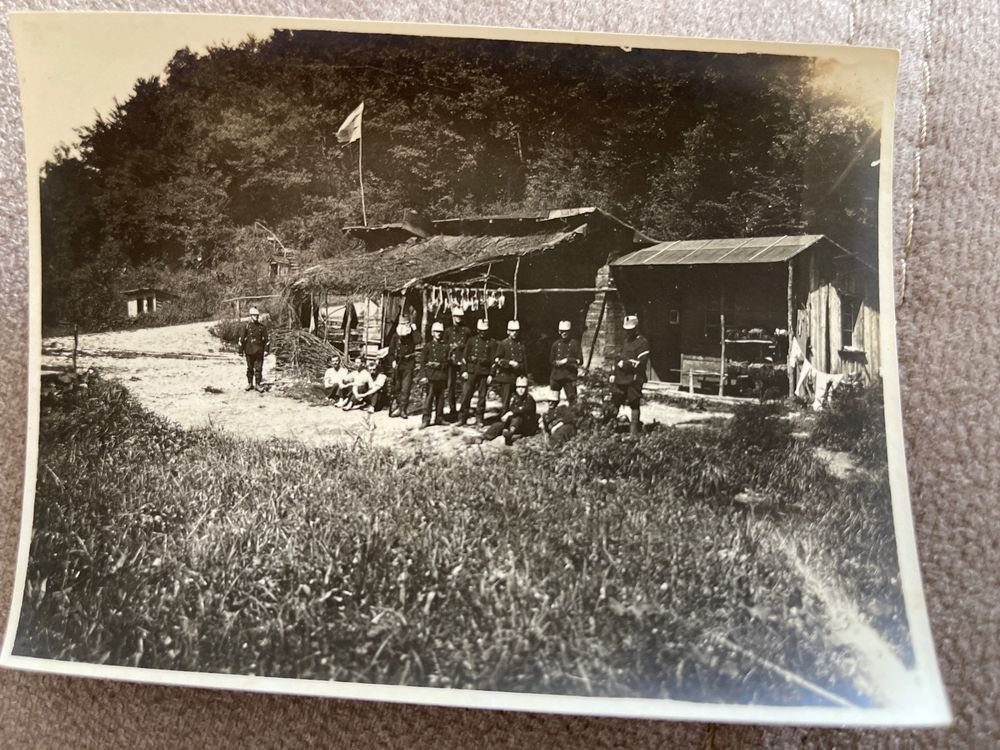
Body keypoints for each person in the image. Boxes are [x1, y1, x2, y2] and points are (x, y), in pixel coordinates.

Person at [603, 314, 651, 437]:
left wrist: (624, 364)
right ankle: (608, 429)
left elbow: (640, 363)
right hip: (620, 379)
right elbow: (617, 357)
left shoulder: (642, 343)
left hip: (634, 379)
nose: (628, 332)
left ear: (636, 328)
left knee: (634, 404)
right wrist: (613, 372)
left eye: (630, 330)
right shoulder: (625, 342)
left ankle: (633, 433)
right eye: (626, 330)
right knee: (615, 402)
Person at [458, 317, 496, 425]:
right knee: (466, 395)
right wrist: (464, 371)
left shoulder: (491, 343)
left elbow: (494, 361)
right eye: (481, 331)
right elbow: (464, 358)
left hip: (484, 372)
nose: (483, 333)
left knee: (482, 397)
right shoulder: (471, 341)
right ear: (478, 330)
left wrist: (491, 374)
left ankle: (479, 417)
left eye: (485, 331)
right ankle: (462, 417)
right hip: (471, 371)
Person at [387, 319, 422, 419]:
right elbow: (391, 351)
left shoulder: (412, 336)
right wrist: (393, 361)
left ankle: (403, 410)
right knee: (397, 387)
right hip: (398, 363)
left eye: (405, 324)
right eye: (402, 324)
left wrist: (415, 330)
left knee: (405, 388)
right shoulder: (395, 336)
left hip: (408, 364)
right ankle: (398, 406)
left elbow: (418, 340)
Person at [419, 321, 450, 428]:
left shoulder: (445, 347)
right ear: (432, 333)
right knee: (429, 399)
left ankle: (439, 418)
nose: (439, 334)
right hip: (430, 376)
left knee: (440, 399)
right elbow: (422, 362)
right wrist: (423, 376)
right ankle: (426, 419)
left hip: (441, 376)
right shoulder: (427, 346)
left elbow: (448, 362)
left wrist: (440, 365)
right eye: (436, 332)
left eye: (440, 332)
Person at [493, 319, 528, 414]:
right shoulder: (503, 344)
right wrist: (509, 363)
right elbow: (497, 360)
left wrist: (525, 375)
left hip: (518, 377)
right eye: (512, 331)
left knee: (520, 400)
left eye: (516, 331)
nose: (514, 333)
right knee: (506, 401)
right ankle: (504, 419)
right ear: (508, 331)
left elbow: (525, 362)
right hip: (507, 377)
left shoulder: (521, 345)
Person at [444, 306, 471, 421]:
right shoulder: (448, 331)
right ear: (453, 317)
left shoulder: (467, 331)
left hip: (463, 361)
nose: (458, 318)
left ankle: (464, 411)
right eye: (456, 316)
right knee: (451, 386)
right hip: (451, 362)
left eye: (460, 316)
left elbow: (470, 346)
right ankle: (452, 410)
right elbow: (444, 346)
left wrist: (461, 348)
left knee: (466, 386)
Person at [549, 319, 583, 407]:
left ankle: (573, 419)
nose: (564, 333)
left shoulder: (575, 344)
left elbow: (580, 360)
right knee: (553, 402)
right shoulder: (555, 344)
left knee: (573, 401)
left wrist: (567, 360)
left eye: (566, 331)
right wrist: (557, 363)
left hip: (569, 377)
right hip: (556, 377)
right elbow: (551, 360)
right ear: (559, 332)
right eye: (562, 331)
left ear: (570, 332)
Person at [237, 306, 270, 392]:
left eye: (257, 315)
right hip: (249, 350)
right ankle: (250, 384)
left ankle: (258, 385)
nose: (256, 317)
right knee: (250, 368)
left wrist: (266, 350)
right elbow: (242, 339)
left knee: (258, 368)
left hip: (259, 351)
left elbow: (267, 340)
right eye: (254, 315)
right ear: (250, 316)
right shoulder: (246, 326)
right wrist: (240, 350)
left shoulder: (262, 327)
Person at [500, 375, 538, 445]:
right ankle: (483, 437)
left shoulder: (529, 399)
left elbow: (521, 410)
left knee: (517, 417)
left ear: (526, 388)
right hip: (517, 425)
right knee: (499, 425)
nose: (520, 390)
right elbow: (511, 409)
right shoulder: (515, 398)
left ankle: (510, 434)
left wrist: (510, 413)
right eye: (519, 387)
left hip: (527, 424)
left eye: (523, 387)